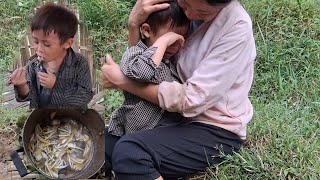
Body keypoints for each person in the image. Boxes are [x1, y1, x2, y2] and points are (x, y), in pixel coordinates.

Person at [102, 0, 256, 179]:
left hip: (214, 129)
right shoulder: (171, 7)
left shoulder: (236, 27)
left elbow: (192, 100)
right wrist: (134, 25)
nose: (189, 15)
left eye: (203, 13)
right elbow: (143, 70)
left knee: (131, 152)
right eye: (184, 4)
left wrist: (124, 82)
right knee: (104, 144)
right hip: (172, 118)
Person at [108, 0, 189, 137]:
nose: (175, 45)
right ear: (146, 30)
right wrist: (163, 43)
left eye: (180, 38)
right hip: (135, 130)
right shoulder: (134, 53)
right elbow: (142, 73)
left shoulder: (171, 60)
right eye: (169, 38)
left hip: (166, 130)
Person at [10, 3, 93, 109]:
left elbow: (85, 96)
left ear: (67, 43)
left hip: (73, 118)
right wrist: (21, 85)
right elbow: (29, 96)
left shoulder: (79, 63)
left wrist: (56, 85)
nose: (38, 49)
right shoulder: (33, 64)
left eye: (47, 44)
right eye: (35, 41)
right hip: (42, 119)